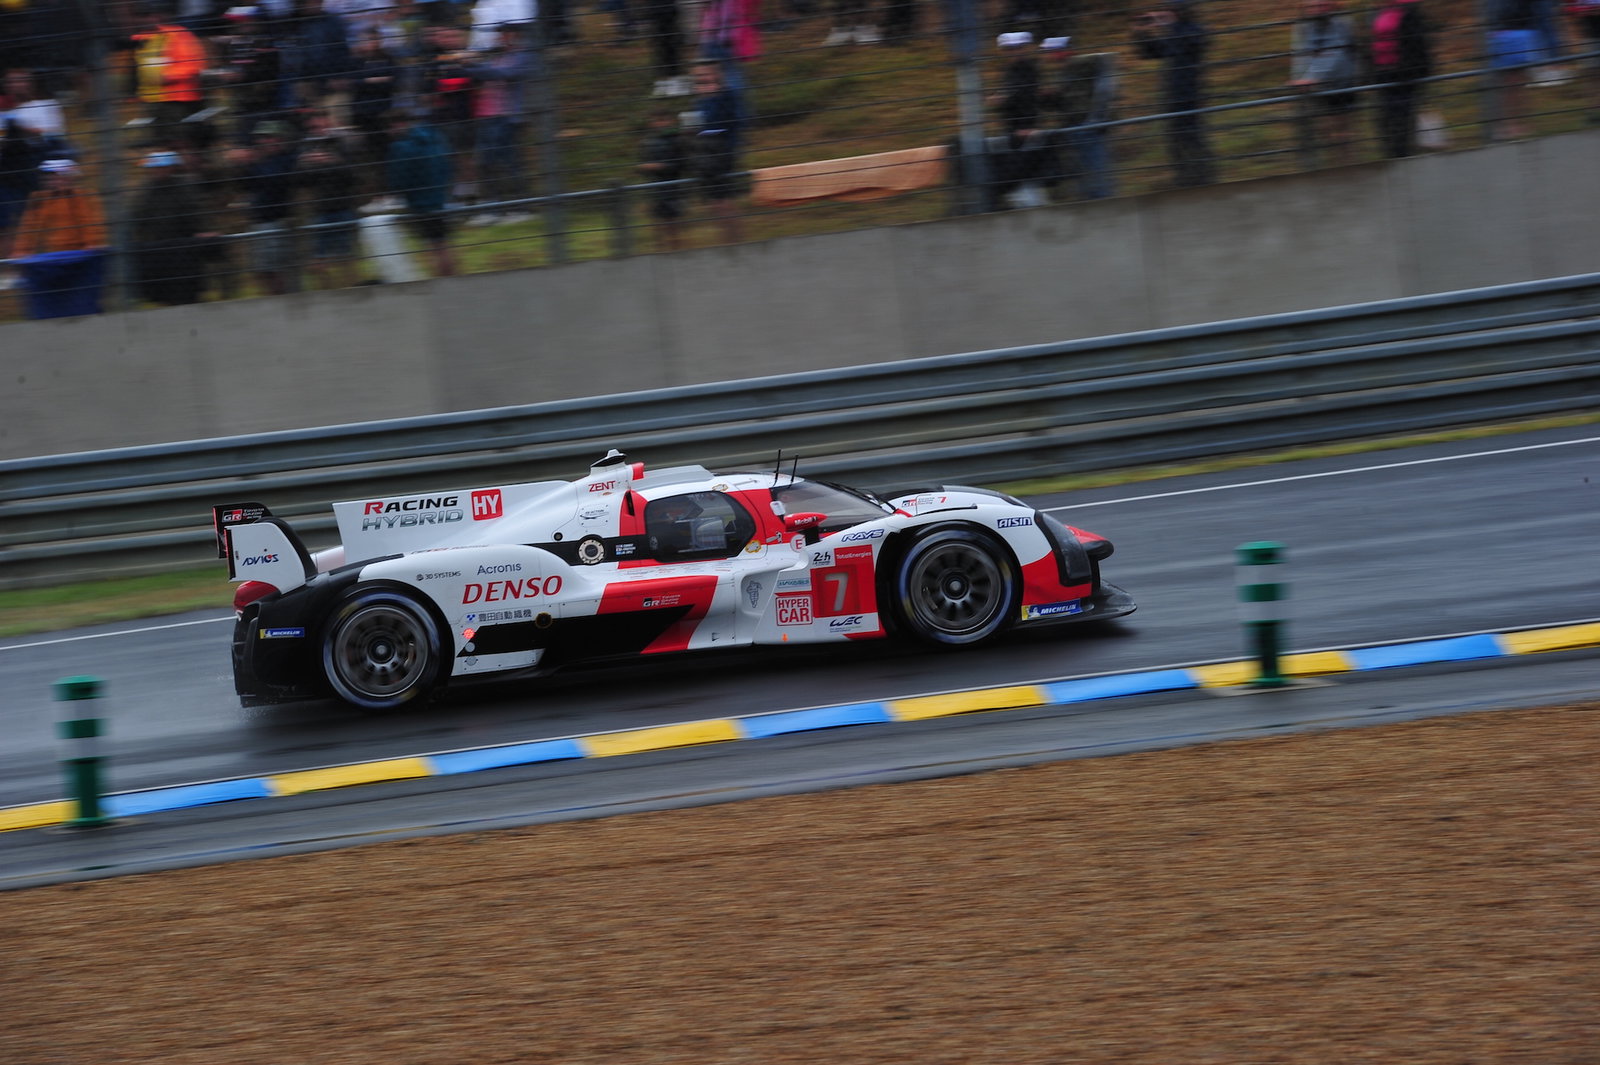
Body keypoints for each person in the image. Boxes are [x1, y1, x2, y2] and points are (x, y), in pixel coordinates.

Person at [6, 158, 108, 318]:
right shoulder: (40, 199)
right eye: (52, 177)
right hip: (56, 257)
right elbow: (29, 227)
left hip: (80, 257)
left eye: (60, 177)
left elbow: (90, 221)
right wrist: (22, 251)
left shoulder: (82, 196)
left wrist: (92, 243)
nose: (55, 181)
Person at [1132, 1, 1214, 188]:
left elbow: (1194, 41)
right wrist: (1141, 32)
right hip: (1173, 96)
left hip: (1189, 95)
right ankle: (1184, 177)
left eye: (1169, 12)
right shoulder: (1174, 34)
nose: (1164, 16)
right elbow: (1150, 52)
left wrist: (1168, 24)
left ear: (1179, 12)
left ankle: (1202, 177)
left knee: (1192, 137)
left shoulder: (1193, 31)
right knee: (1175, 138)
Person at [464, 22, 532, 225]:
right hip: (486, 116)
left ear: (514, 36)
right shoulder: (496, 57)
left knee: (510, 163)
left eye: (503, 35)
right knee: (485, 163)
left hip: (506, 117)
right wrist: (468, 66)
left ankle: (521, 208)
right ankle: (492, 208)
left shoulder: (523, 55)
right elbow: (482, 74)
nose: (499, 38)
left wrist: (473, 65)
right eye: (498, 35)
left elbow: (504, 74)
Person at [130, 149, 216, 306]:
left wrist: (203, 230)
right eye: (153, 168)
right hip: (158, 251)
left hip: (183, 250)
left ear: (171, 168)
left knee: (187, 293)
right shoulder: (147, 190)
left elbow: (196, 213)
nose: (156, 171)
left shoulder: (184, 188)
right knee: (163, 296)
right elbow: (138, 217)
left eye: (160, 167)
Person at [1039, 36, 1118, 201]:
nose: (1047, 56)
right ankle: (1091, 199)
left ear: (1060, 51)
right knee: (1084, 171)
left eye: (1049, 52)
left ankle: (1101, 200)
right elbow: (1065, 101)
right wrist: (1049, 96)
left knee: (1095, 169)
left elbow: (1105, 60)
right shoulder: (1063, 71)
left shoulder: (1079, 63)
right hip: (1074, 127)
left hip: (1087, 127)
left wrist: (1098, 116)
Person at [231, 118, 303, 294]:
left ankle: (285, 299)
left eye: (269, 137)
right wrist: (244, 165)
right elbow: (247, 184)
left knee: (276, 268)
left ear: (281, 138)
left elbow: (276, 181)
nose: (263, 141)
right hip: (260, 222)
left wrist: (253, 164)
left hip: (277, 221)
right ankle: (273, 299)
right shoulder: (263, 161)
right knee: (261, 269)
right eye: (261, 137)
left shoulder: (287, 159)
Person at [298, 109, 368, 286]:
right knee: (317, 260)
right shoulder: (307, 147)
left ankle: (353, 290)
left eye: (319, 123)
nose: (317, 128)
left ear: (327, 122)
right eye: (313, 125)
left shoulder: (342, 143)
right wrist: (308, 164)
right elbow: (301, 180)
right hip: (319, 209)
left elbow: (354, 176)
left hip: (343, 205)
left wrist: (333, 162)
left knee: (346, 256)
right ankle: (329, 292)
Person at [386, 106, 457, 275]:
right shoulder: (433, 136)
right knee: (443, 243)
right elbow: (447, 165)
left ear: (398, 124)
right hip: (440, 197)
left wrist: (396, 190)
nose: (389, 132)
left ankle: (441, 280)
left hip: (420, 202)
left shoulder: (401, 147)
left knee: (433, 246)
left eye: (389, 127)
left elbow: (399, 178)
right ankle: (453, 278)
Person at [130, 5, 211, 148]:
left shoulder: (177, 35)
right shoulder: (139, 39)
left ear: (158, 16)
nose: (144, 20)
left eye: (149, 15)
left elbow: (193, 64)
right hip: (152, 100)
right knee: (163, 143)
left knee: (181, 141)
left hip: (177, 99)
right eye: (141, 16)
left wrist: (168, 77)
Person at [1289, 0, 1358, 166]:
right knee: (1325, 131)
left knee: (1342, 132)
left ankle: (1348, 166)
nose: (1317, 10)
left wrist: (1312, 77)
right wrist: (1298, 76)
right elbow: (1299, 54)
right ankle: (1333, 166)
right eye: (1312, 7)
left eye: (1322, 5)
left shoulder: (1342, 24)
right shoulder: (1303, 27)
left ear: (1331, 5)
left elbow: (1336, 52)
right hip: (1317, 87)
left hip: (1342, 83)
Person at [988, 31, 1048, 208]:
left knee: (1023, 168)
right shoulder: (1012, 70)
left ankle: (1031, 203)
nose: (1013, 52)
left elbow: (1026, 98)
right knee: (1019, 167)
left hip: (1023, 127)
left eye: (1017, 48)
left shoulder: (1026, 69)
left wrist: (1026, 125)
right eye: (1009, 49)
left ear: (1025, 49)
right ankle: (1026, 200)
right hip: (1014, 127)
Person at [689, 60, 746, 244]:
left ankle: (735, 240)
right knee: (715, 203)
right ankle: (727, 240)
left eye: (704, 74)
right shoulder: (701, 99)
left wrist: (704, 130)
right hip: (706, 153)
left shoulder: (726, 95)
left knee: (724, 201)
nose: (700, 79)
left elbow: (728, 124)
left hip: (723, 152)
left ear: (715, 74)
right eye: (697, 76)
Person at [1368, 0, 1432, 158]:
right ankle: (1395, 156)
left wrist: (1406, 70)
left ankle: (1403, 157)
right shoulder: (1379, 13)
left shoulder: (1407, 11)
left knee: (1401, 120)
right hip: (1384, 76)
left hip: (1403, 76)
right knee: (1385, 121)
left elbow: (1415, 43)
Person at [1488, 0, 1543, 140]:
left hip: (1520, 29)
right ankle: (1510, 124)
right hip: (1507, 31)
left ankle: (1517, 123)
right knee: (1511, 82)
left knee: (1519, 82)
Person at [636, 105, 688, 251]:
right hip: (654, 188)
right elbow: (641, 163)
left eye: (662, 120)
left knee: (672, 224)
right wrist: (642, 168)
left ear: (670, 120)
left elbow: (683, 164)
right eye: (655, 120)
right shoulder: (647, 142)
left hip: (673, 188)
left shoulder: (677, 139)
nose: (659, 124)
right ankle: (661, 251)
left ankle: (676, 250)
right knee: (657, 224)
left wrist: (661, 166)